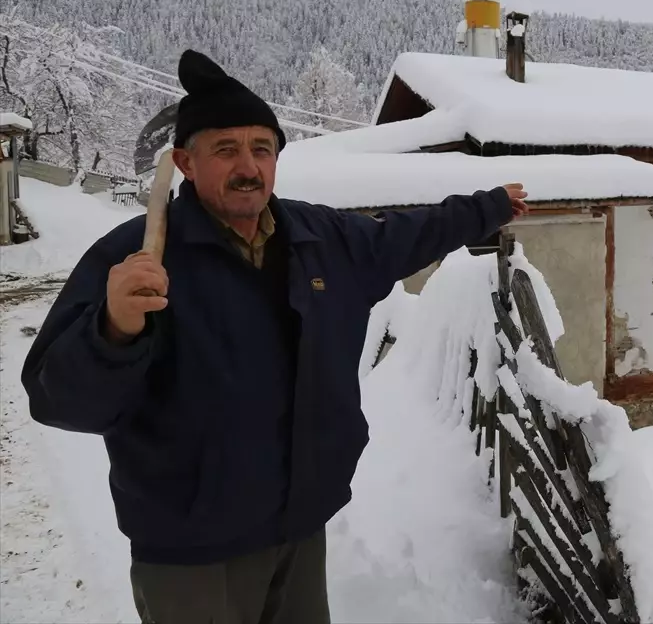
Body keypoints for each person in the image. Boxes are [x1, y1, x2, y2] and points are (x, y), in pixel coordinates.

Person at [21, 49, 529, 624]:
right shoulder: (135, 256)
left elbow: (407, 235)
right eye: (226, 150)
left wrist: (486, 207)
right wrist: (113, 329)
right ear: (186, 163)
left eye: (262, 149)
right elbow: (56, 399)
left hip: (299, 527)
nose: (248, 166)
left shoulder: (319, 238)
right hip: (191, 551)